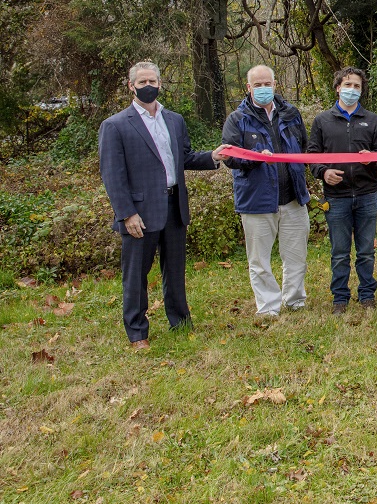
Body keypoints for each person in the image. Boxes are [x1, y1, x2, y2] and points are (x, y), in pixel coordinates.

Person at [98, 61, 230, 348]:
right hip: (140, 212)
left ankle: (180, 322)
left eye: (153, 81)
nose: (148, 87)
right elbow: (112, 175)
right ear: (131, 86)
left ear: (160, 84)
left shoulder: (174, 120)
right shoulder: (115, 125)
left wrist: (213, 156)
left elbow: (184, 157)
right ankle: (137, 332)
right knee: (136, 275)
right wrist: (126, 214)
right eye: (142, 82)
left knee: (175, 270)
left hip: (174, 206)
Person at [221, 65, 312, 317]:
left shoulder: (291, 114)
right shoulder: (237, 119)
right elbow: (230, 157)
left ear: (275, 85)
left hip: (293, 197)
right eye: (257, 85)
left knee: (296, 255)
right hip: (257, 200)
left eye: (267, 84)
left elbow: (303, 147)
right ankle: (269, 307)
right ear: (248, 88)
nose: (263, 89)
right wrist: (256, 158)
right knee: (260, 261)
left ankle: (294, 300)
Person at [307, 67, 377, 313]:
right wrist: (323, 172)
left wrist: (371, 159)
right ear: (338, 88)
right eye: (348, 85)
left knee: (365, 251)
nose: (352, 90)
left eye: (357, 86)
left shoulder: (372, 120)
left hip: (366, 195)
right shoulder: (322, 121)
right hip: (336, 197)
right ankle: (339, 299)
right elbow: (311, 156)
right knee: (340, 252)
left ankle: (367, 296)